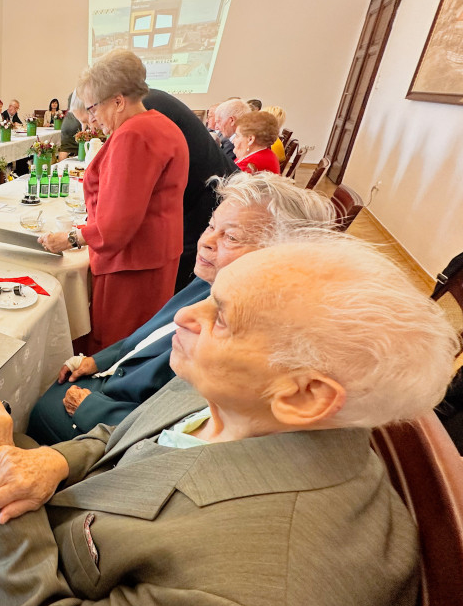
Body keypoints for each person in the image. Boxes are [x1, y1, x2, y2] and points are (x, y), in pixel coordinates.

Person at [0, 236, 459, 606]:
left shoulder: (248, 604)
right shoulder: (243, 391)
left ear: (307, 394)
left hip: (37, 595)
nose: (184, 316)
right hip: (71, 549)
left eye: (221, 317)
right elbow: (127, 437)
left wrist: (11, 498)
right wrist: (56, 463)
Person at [27, 172, 336, 445]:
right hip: (113, 381)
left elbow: (183, 428)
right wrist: (98, 360)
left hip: (123, 419)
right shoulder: (210, 281)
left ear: (279, 257)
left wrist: (91, 407)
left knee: (36, 409)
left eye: (231, 237)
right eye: (211, 226)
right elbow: (147, 336)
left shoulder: (246, 339)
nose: (205, 242)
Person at [39, 49, 188, 351]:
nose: (92, 120)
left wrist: (69, 238)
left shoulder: (132, 135)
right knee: (142, 339)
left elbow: (116, 226)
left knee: (118, 346)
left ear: (119, 101)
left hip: (133, 263)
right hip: (154, 252)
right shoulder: (160, 123)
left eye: (93, 109)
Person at [143, 88, 238, 290]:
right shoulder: (154, 98)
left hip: (210, 190)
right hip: (211, 182)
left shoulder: (146, 109)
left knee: (193, 261)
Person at [233, 110, 281, 174]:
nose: (233, 141)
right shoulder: (265, 153)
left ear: (250, 139)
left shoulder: (248, 166)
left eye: (237, 136)